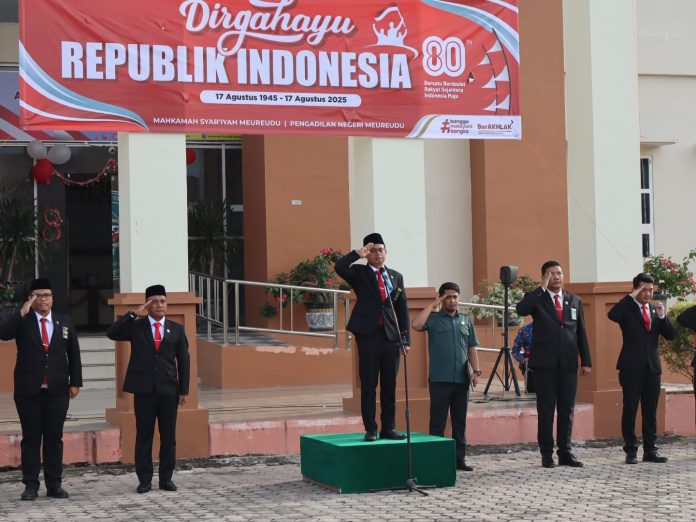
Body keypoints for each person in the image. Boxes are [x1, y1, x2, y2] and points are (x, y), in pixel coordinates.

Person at [0, 278, 82, 500]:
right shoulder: (23, 321)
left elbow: (74, 353)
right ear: (30, 298)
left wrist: (75, 382)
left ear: (52, 298)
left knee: (54, 438)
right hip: (29, 392)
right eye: (38, 296)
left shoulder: (64, 321)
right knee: (31, 439)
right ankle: (30, 485)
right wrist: (21, 311)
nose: (43, 299)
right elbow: (3, 333)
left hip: (57, 390)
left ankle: (54, 485)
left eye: (47, 295)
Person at [106, 285, 190, 493]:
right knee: (144, 436)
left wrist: (184, 390)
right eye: (155, 301)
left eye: (163, 301)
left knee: (168, 436)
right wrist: (133, 313)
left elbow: (184, 360)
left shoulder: (176, 329)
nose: (160, 305)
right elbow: (112, 333)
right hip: (144, 390)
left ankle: (166, 479)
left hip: (168, 390)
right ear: (147, 304)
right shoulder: (137, 327)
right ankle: (144, 480)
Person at [516, 260, 591, 468]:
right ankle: (546, 453)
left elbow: (581, 332)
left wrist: (586, 360)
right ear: (544, 277)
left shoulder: (573, 299)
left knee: (567, 409)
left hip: (568, 363)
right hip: (544, 365)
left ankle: (565, 452)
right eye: (552, 274)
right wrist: (540, 288)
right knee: (546, 410)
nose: (557, 277)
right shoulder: (537, 298)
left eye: (559, 273)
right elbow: (522, 309)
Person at [335, 233, 410, 442]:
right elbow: (340, 267)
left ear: (386, 252)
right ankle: (371, 429)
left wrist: (405, 339)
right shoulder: (360, 273)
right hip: (369, 335)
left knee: (389, 386)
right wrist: (357, 254)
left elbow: (402, 309)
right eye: (373, 250)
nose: (378, 254)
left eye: (381, 250)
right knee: (369, 385)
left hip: (391, 336)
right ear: (368, 253)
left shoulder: (395, 277)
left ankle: (389, 428)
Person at [411, 282, 482, 471]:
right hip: (439, 380)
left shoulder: (465, 320)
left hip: (461, 380)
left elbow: (472, 347)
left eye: (455, 297)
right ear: (442, 299)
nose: (452, 301)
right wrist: (432, 305)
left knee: (459, 422)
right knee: (437, 422)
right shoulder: (433, 319)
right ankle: (437, 461)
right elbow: (416, 324)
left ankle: (460, 460)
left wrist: (476, 371)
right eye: (448, 297)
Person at [608, 273, 675, 464]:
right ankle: (631, 450)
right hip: (631, 368)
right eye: (644, 290)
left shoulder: (655, 310)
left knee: (650, 411)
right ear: (635, 289)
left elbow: (670, 335)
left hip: (652, 368)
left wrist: (662, 316)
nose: (648, 294)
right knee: (630, 409)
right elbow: (612, 315)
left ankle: (650, 450)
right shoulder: (627, 309)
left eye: (651, 290)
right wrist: (630, 297)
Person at [511, 321, 535, 393]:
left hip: (548, 364)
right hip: (530, 364)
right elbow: (515, 351)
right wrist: (525, 362)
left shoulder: (552, 328)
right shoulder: (525, 329)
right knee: (532, 388)